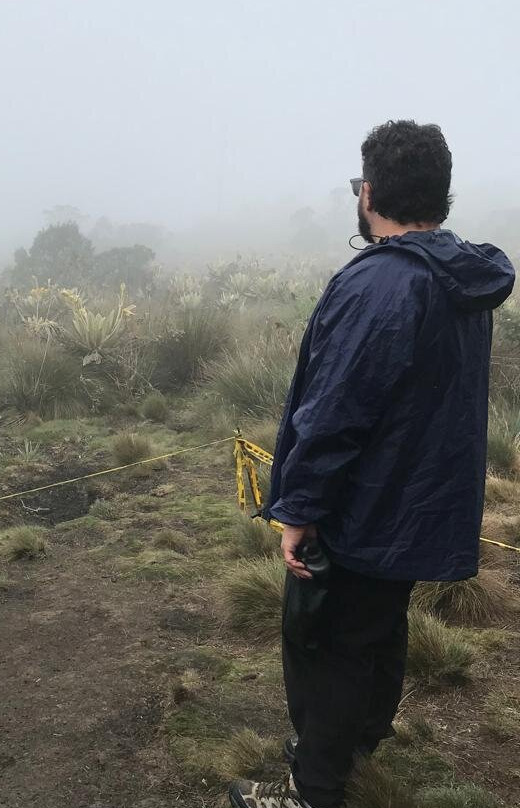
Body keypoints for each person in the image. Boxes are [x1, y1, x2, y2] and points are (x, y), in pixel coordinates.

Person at [228, 120, 515, 808]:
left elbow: (333, 417)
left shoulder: (380, 286)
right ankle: (357, 746)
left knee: (327, 643)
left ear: (371, 193)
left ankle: (313, 790)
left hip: (365, 507)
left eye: (361, 184)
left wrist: (298, 510)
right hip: (421, 504)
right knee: (377, 628)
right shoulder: (462, 276)